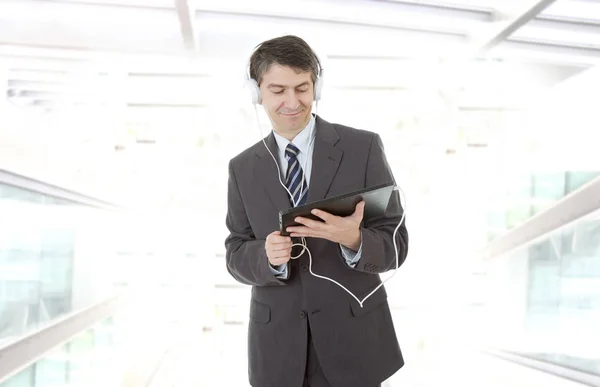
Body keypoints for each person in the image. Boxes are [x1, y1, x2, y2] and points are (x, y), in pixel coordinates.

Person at [224, 35, 409, 387]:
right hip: (277, 349)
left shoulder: (363, 147)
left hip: (354, 343)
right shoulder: (242, 168)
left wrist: (354, 239)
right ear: (257, 92)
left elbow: (397, 242)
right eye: (278, 90)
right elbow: (235, 250)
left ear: (316, 87)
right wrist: (267, 257)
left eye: (302, 88)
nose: (292, 102)